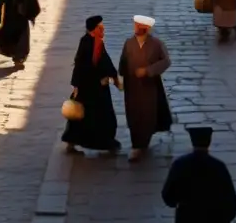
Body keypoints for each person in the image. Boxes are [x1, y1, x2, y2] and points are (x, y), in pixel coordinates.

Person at [62, 16, 122, 154]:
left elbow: (105, 60)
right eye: (100, 27)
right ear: (94, 29)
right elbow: (80, 66)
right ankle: (106, 143)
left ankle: (74, 142)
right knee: (91, 116)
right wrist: (78, 85)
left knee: (86, 117)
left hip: (95, 87)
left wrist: (113, 76)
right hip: (90, 88)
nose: (103, 30)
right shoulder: (87, 43)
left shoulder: (97, 42)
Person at [119, 15, 173, 162]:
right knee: (134, 115)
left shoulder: (156, 44)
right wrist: (120, 76)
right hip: (132, 87)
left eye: (139, 26)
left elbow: (166, 61)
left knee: (147, 115)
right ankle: (136, 145)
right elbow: (123, 62)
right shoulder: (129, 43)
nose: (136, 28)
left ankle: (143, 142)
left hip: (149, 87)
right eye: (135, 25)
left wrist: (149, 70)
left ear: (147, 28)